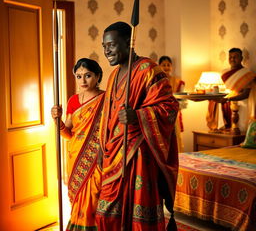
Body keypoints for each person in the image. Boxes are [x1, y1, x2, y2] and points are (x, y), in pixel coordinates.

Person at [95, 22, 179, 231]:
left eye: (112, 45)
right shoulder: (113, 75)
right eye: (104, 46)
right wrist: (101, 145)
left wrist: (138, 116)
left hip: (139, 152)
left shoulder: (148, 69)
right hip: (113, 151)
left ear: (128, 42)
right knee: (105, 212)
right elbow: (108, 115)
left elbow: (169, 107)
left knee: (138, 214)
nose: (107, 51)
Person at [51, 58, 105, 231]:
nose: (83, 80)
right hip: (76, 157)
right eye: (79, 76)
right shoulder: (73, 100)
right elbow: (67, 133)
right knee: (78, 197)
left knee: (96, 195)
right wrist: (57, 120)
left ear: (97, 76)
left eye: (88, 75)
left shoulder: (106, 98)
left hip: (98, 157)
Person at [207, 48, 256, 132]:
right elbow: (222, 90)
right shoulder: (224, 72)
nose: (232, 59)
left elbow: (246, 94)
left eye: (235, 57)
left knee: (241, 130)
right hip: (225, 104)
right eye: (230, 57)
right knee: (226, 129)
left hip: (242, 106)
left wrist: (228, 99)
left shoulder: (247, 73)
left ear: (241, 58)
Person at [159, 56, 186, 152]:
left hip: (175, 114)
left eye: (168, 65)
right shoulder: (157, 82)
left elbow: (182, 100)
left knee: (176, 137)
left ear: (171, 66)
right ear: (159, 66)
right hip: (161, 114)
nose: (166, 67)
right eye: (163, 65)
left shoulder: (178, 82)